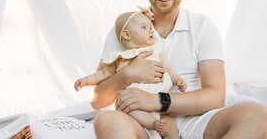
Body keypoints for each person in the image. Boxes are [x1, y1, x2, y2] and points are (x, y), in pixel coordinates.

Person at [91, 0, 267, 139]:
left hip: (195, 120)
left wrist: (156, 100)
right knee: (106, 120)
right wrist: (128, 74)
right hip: (142, 121)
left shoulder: (203, 26)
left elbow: (215, 96)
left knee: (257, 115)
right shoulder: (125, 29)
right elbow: (97, 100)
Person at [74, 7, 186, 138]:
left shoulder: (155, 48)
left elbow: (167, 66)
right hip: (134, 101)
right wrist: (86, 80)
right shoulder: (120, 57)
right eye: (144, 27)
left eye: (151, 27)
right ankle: (153, 124)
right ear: (127, 35)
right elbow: (103, 74)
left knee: (170, 123)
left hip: (159, 96)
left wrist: (177, 78)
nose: (150, 30)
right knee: (132, 111)